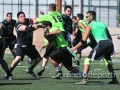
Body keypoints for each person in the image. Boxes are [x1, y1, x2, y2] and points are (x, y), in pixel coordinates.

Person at [70, 11, 119, 84]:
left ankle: (84, 79)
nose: (86, 19)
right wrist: (111, 48)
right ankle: (114, 79)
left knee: (87, 60)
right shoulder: (103, 24)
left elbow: (84, 40)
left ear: (91, 17)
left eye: (87, 17)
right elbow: (109, 37)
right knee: (107, 61)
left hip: (102, 43)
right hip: (109, 43)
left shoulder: (90, 25)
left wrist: (74, 48)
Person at [9, 11, 42, 79]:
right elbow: (29, 29)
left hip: (29, 46)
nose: (23, 17)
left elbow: (35, 19)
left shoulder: (27, 21)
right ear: (18, 19)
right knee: (18, 58)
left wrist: (42, 17)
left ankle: (30, 69)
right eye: (21, 17)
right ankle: (9, 73)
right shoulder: (18, 25)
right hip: (21, 46)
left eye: (24, 16)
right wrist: (38, 26)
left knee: (38, 58)